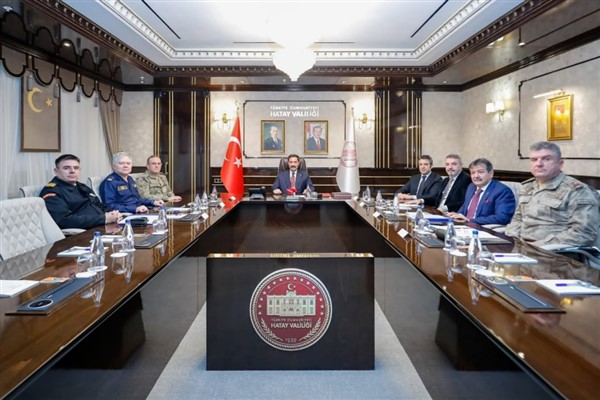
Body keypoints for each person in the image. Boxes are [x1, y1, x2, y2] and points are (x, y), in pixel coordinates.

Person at [505, 141, 600, 247]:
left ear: (560, 164)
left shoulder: (578, 191)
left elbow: (583, 234)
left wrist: (536, 246)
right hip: (521, 247)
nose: (539, 164)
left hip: (555, 251)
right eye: (534, 159)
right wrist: (511, 240)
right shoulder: (527, 187)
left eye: (547, 159)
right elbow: (517, 219)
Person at [40, 154, 121, 229]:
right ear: (56, 171)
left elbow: (98, 204)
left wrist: (113, 213)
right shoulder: (52, 192)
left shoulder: (82, 186)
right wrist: (104, 218)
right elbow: (64, 221)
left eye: (76, 168)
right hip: (82, 232)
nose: (72, 171)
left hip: (102, 225)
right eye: (66, 168)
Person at [448, 158, 516, 225]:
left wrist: (469, 220)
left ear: (491, 173)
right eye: (473, 173)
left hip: (482, 227)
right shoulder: (471, 186)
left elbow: (502, 218)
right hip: (464, 226)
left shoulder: (502, 191)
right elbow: (465, 207)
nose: (476, 176)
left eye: (480, 172)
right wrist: (457, 215)